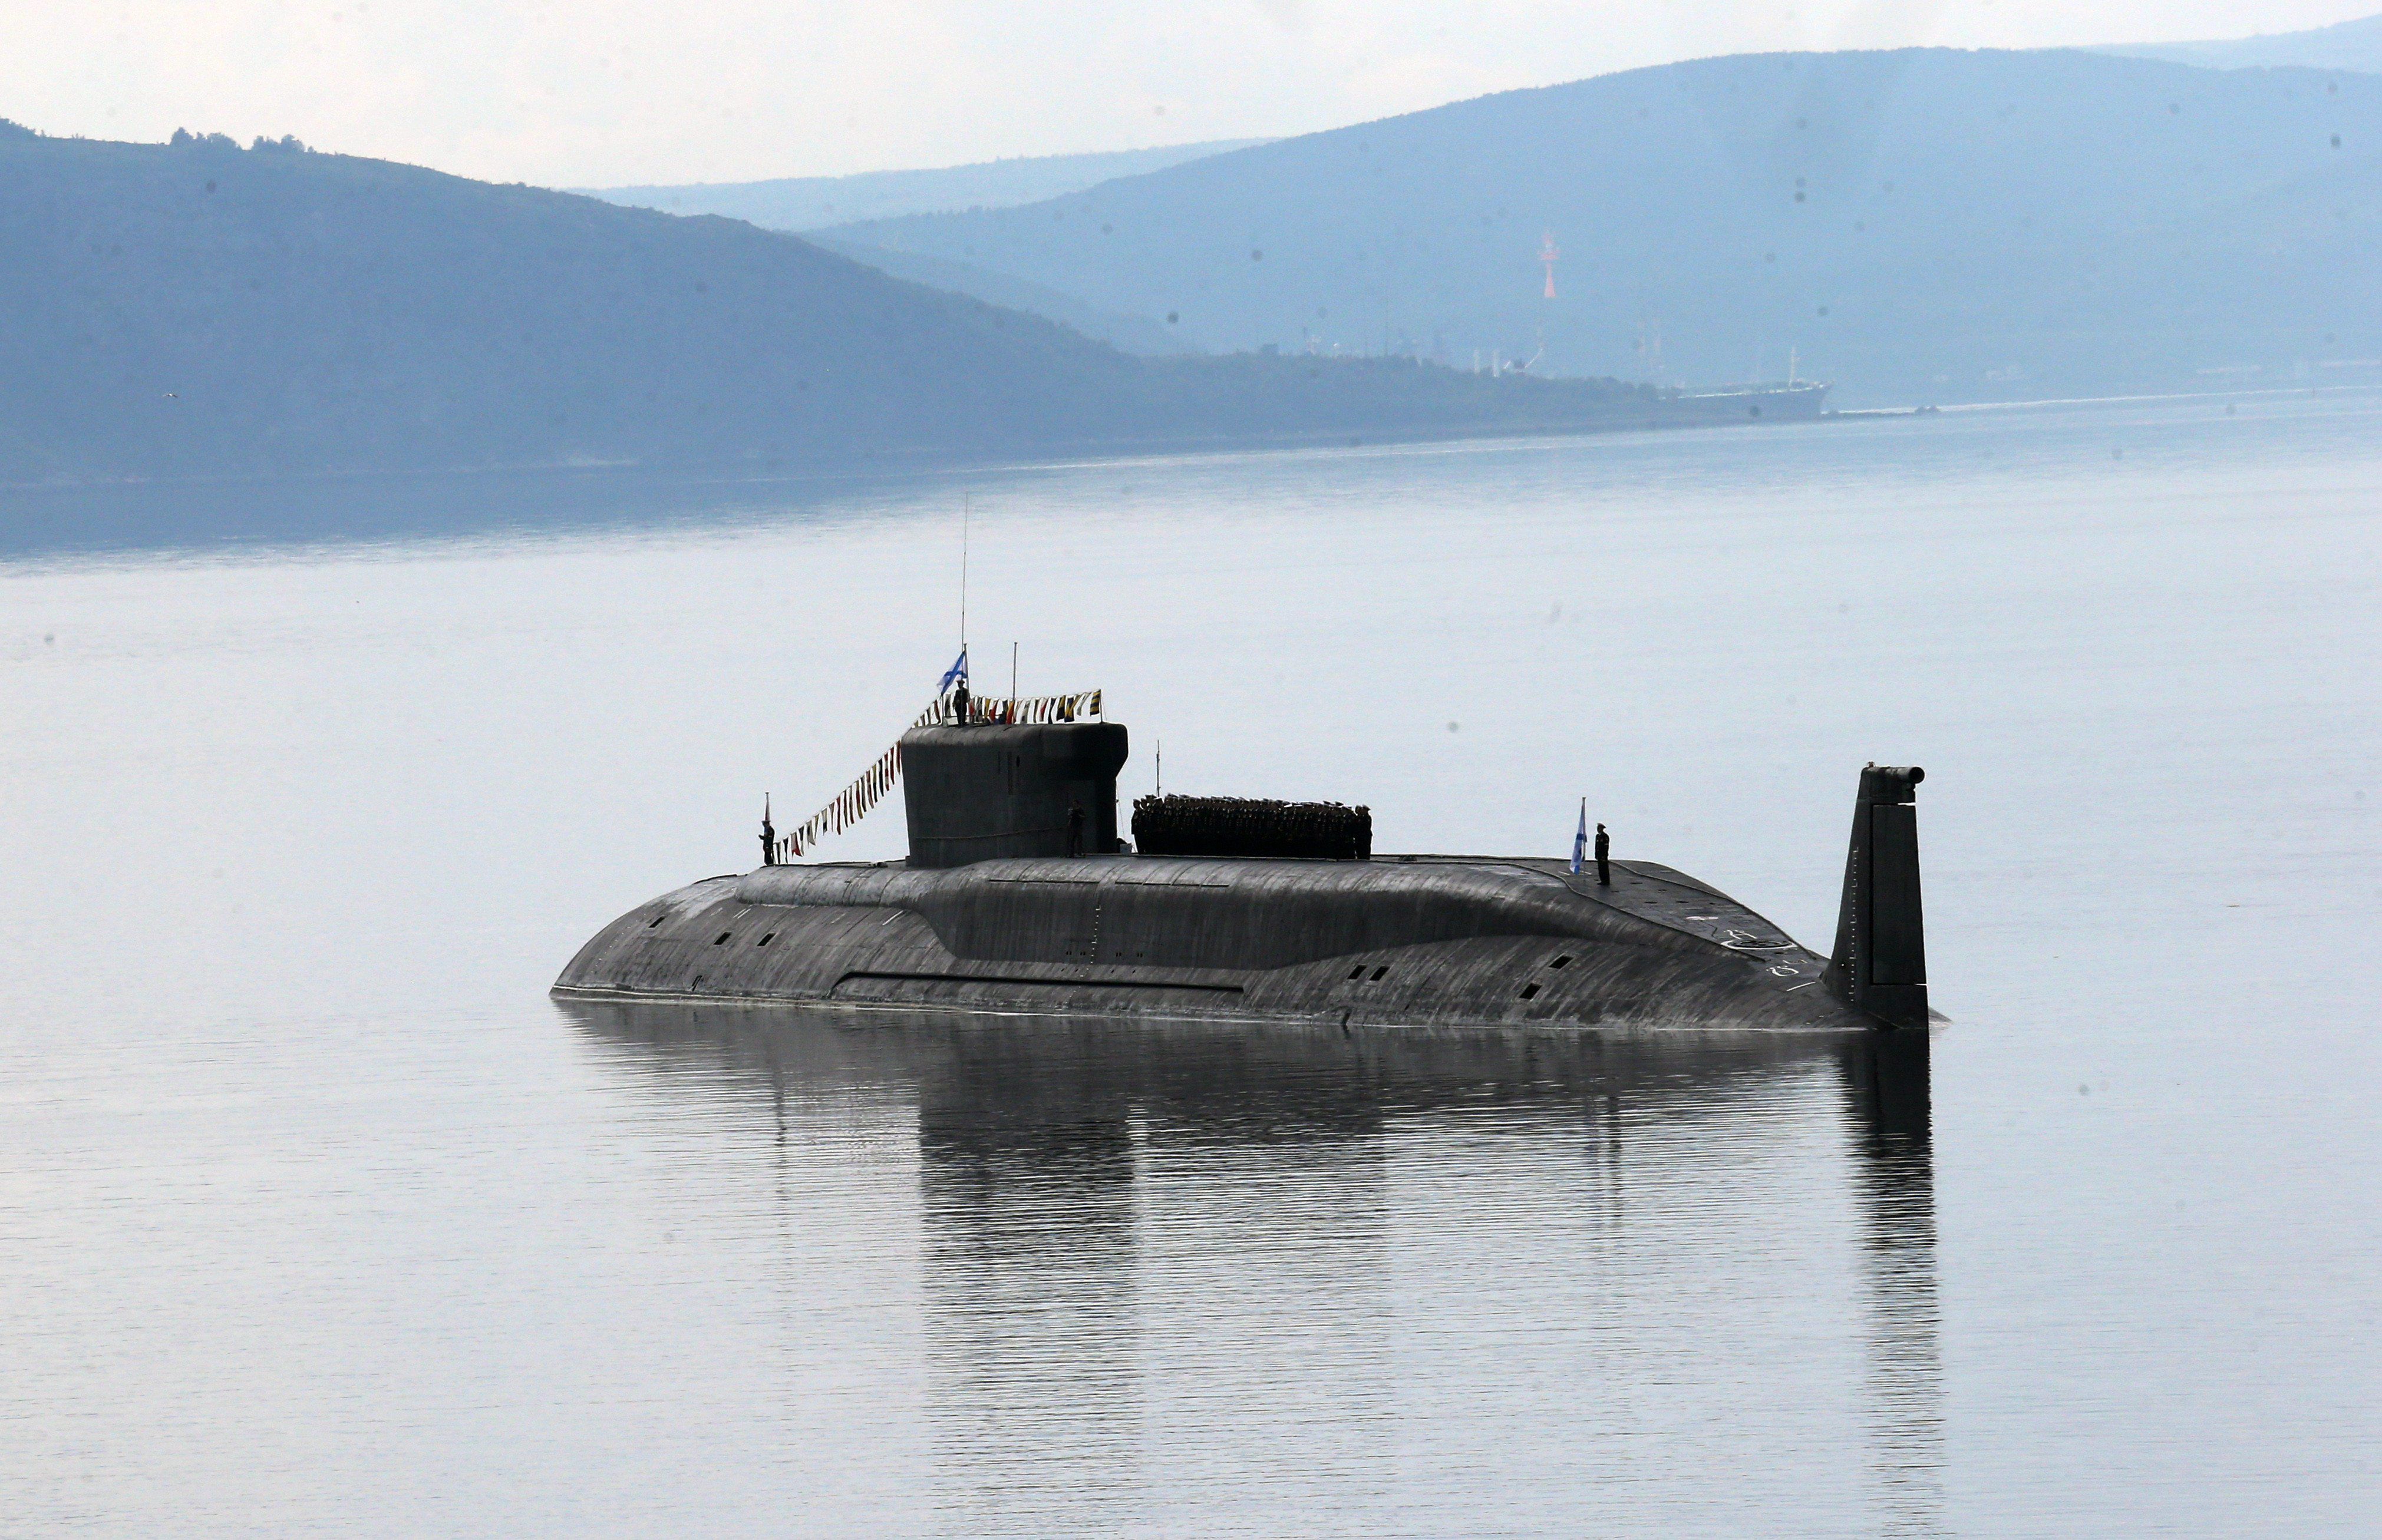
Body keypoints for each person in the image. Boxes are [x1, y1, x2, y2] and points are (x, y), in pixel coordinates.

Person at [1595, 822, 1611, 886]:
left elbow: (1606, 847)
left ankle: (1606, 881)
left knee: (1605, 868)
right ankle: (1602, 880)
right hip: (1599, 855)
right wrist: (1596, 854)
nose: (1598, 829)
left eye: (1599, 828)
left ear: (1602, 829)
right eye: (1598, 828)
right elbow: (1596, 846)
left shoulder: (1605, 836)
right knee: (1600, 868)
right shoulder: (1598, 836)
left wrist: (1604, 855)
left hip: (1603, 856)